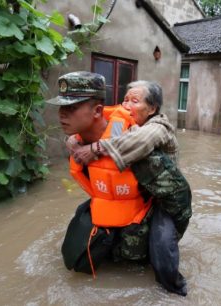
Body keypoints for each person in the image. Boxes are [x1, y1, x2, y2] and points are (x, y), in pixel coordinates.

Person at [47, 73, 190, 296]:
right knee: (81, 228)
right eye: (125, 100)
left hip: (163, 197)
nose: (127, 105)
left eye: (135, 101)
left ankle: (176, 291)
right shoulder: (116, 125)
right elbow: (103, 119)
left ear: (151, 109)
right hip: (120, 195)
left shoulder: (157, 126)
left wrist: (93, 148)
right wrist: (76, 139)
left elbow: (138, 141)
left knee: (162, 250)